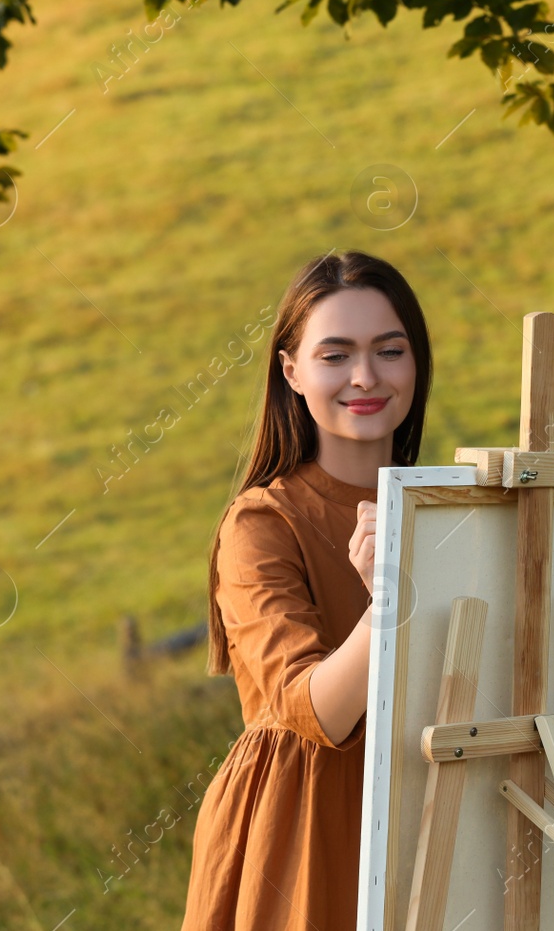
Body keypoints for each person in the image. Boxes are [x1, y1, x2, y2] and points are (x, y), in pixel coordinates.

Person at [181, 249, 433, 930]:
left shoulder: (449, 508)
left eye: (389, 349)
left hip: (434, 822)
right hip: (300, 839)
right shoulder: (263, 521)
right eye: (335, 355)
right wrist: (392, 604)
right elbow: (314, 708)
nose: (366, 376)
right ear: (291, 371)